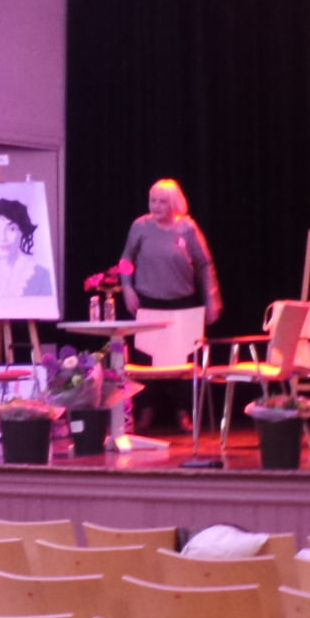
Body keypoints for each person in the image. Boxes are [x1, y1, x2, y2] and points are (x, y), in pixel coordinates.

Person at [119, 178, 221, 430]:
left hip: (182, 304)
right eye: (152, 200)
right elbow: (126, 261)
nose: (155, 206)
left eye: (162, 201)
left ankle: (185, 411)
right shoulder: (140, 226)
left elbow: (204, 265)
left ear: (175, 203)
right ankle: (145, 410)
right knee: (144, 360)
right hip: (148, 303)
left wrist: (212, 298)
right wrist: (127, 288)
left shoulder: (188, 228)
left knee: (184, 361)